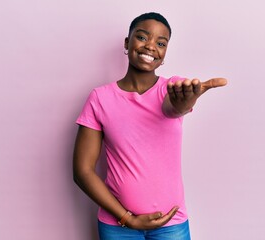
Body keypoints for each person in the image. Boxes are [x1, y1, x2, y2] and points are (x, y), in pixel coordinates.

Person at [73, 12, 227, 240]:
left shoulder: (173, 88)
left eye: (161, 43)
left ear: (164, 54)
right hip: (118, 226)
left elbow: (172, 108)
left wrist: (184, 103)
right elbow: (82, 171)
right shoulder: (100, 98)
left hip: (171, 225)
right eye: (143, 37)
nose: (151, 46)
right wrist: (127, 218)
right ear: (128, 42)